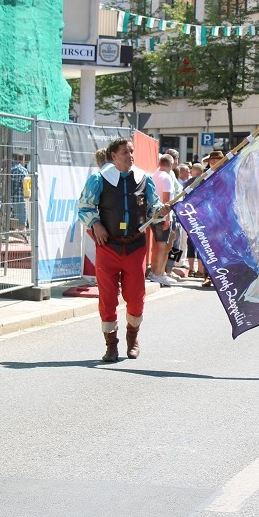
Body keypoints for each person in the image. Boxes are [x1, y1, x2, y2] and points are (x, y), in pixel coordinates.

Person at [76, 138, 163, 362]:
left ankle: (133, 338)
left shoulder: (144, 179)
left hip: (135, 246)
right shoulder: (98, 180)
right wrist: (96, 224)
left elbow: (154, 207)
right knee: (107, 298)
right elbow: (84, 206)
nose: (130, 155)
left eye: (131, 151)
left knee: (135, 298)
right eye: (125, 152)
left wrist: (162, 212)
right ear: (113, 156)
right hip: (108, 247)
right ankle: (111, 345)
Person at [149, 154, 177, 286]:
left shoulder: (154, 175)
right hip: (162, 216)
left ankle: (156, 271)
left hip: (154, 215)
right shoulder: (167, 178)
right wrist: (168, 217)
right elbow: (167, 200)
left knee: (157, 246)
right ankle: (158, 273)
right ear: (171, 165)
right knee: (163, 246)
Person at [9, 154, 29, 229]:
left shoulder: (8, 169)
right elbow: (27, 186)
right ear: (22, 160)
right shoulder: (23, 170)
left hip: (8, 201)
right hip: (19, 199)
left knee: (11, 223)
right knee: (21, 224)